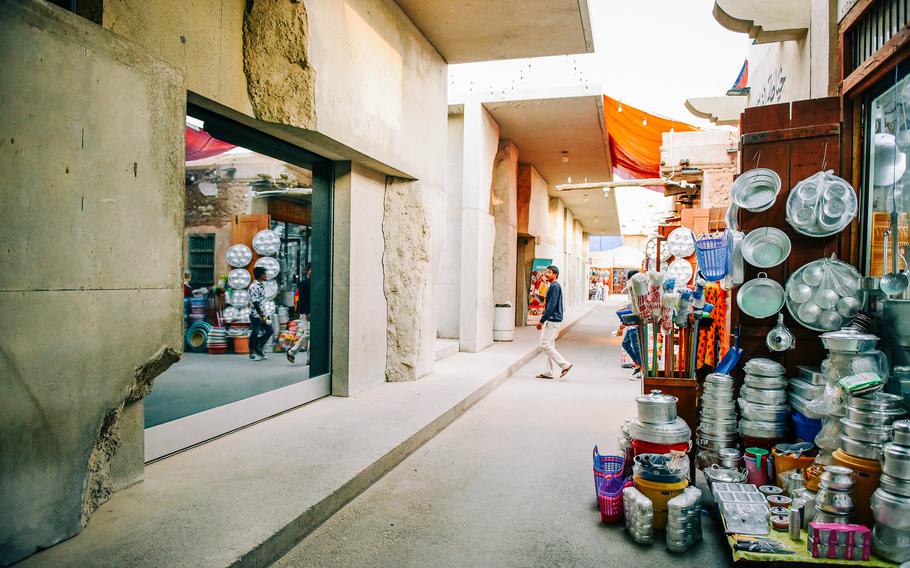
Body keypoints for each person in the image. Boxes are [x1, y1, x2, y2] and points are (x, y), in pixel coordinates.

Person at [536, 265, 573, 380]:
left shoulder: (555, 286)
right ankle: (548, 371)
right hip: (554, 319)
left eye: (549, 272)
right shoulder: (552, 286)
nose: (547, 274)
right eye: (546, 272)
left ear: (555, 275)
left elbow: (551, 305)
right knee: (549, 345)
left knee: (544, 344)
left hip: (552, 320)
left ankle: (564, 364)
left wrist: (542, 320)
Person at [620, 269, 643, 380]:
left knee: (636, 345)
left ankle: (641, 369)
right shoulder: (632, 287)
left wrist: (627, 306)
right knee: (626, 343)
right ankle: (638, 364)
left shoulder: (637, 287)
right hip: (633, 320)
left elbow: (636, 303)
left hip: (636, 320)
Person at [287, 265, 311, 364]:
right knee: (308, 333)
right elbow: (303, 300)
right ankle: (292, 352)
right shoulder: (304, 283)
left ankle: (310, 359)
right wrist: (308, 312)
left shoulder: (313, 282)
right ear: (307, 271)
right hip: (306, 313)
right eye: (311, 269)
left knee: (311, 336)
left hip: (311, 311)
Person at [248, 266, 273, 362]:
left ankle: (258, 348)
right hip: (256, 315)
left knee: (269, 330)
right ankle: (251, 352)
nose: (266, 276)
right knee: (255, 333)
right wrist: (261, 315)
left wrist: (265, 314)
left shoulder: (261, 285)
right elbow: (255, 302)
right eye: (265, 274)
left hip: (263, 314)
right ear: (261, 275)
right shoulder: (254, 286)